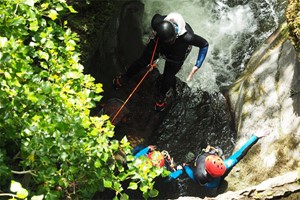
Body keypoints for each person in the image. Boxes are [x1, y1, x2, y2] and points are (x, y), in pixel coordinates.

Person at [113, 12, 209, 111]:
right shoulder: (157, 23)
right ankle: (123, 78)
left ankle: (161, 98)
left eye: (170, 41)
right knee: (142, 62)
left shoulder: (187, 37)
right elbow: (156, 16)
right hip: (158, 43)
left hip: (177, 52)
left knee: (168, 75)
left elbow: (204, 44)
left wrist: (197, 65)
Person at [171, 131, 269, 192]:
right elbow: (240, 153)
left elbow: (190, 172)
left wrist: (184, 166)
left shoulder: (199, 169)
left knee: (186, 166)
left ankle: (182, 166)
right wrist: (255, 137)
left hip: (203, 181)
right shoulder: (225, 165)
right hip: (213, 183)